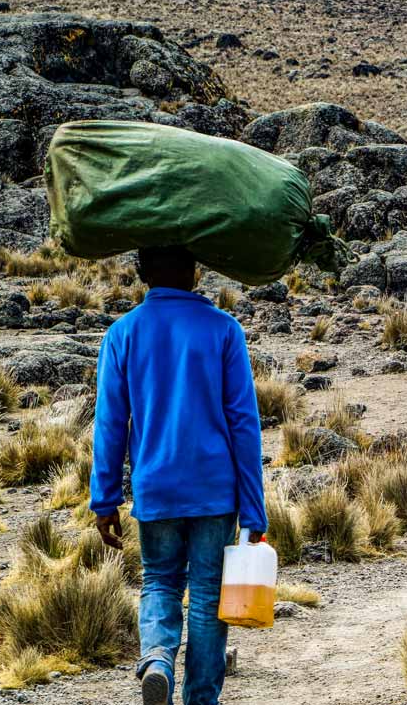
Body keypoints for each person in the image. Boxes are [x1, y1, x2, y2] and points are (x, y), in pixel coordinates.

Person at [91, 246, 267, 705]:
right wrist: (254, 507)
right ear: (194, 273)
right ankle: (201, 699)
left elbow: (111, 423)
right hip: (215, 490)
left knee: (159, 582)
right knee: (209, 597)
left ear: (144, 275)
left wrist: (104, 499)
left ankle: (157, 660)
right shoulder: (224, 330)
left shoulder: (121, 333)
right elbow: (244, 424)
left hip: (156, 487)